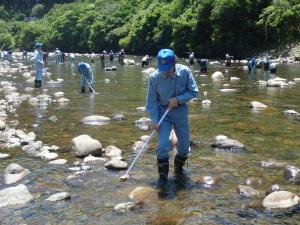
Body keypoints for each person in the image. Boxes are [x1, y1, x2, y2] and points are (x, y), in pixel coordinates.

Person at [146, 49, 199, 186]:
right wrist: (154, 120)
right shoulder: (154, 78)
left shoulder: (185, 72)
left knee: (184, 147)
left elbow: (194, 91)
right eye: (162, 68)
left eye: (167, 68)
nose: (165, 71)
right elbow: (151, 102)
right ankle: (163, 177)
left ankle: (178, 169)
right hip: (163, 112)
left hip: (180, 111)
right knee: (163, 145)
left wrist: (178, 99)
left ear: (174, 62)